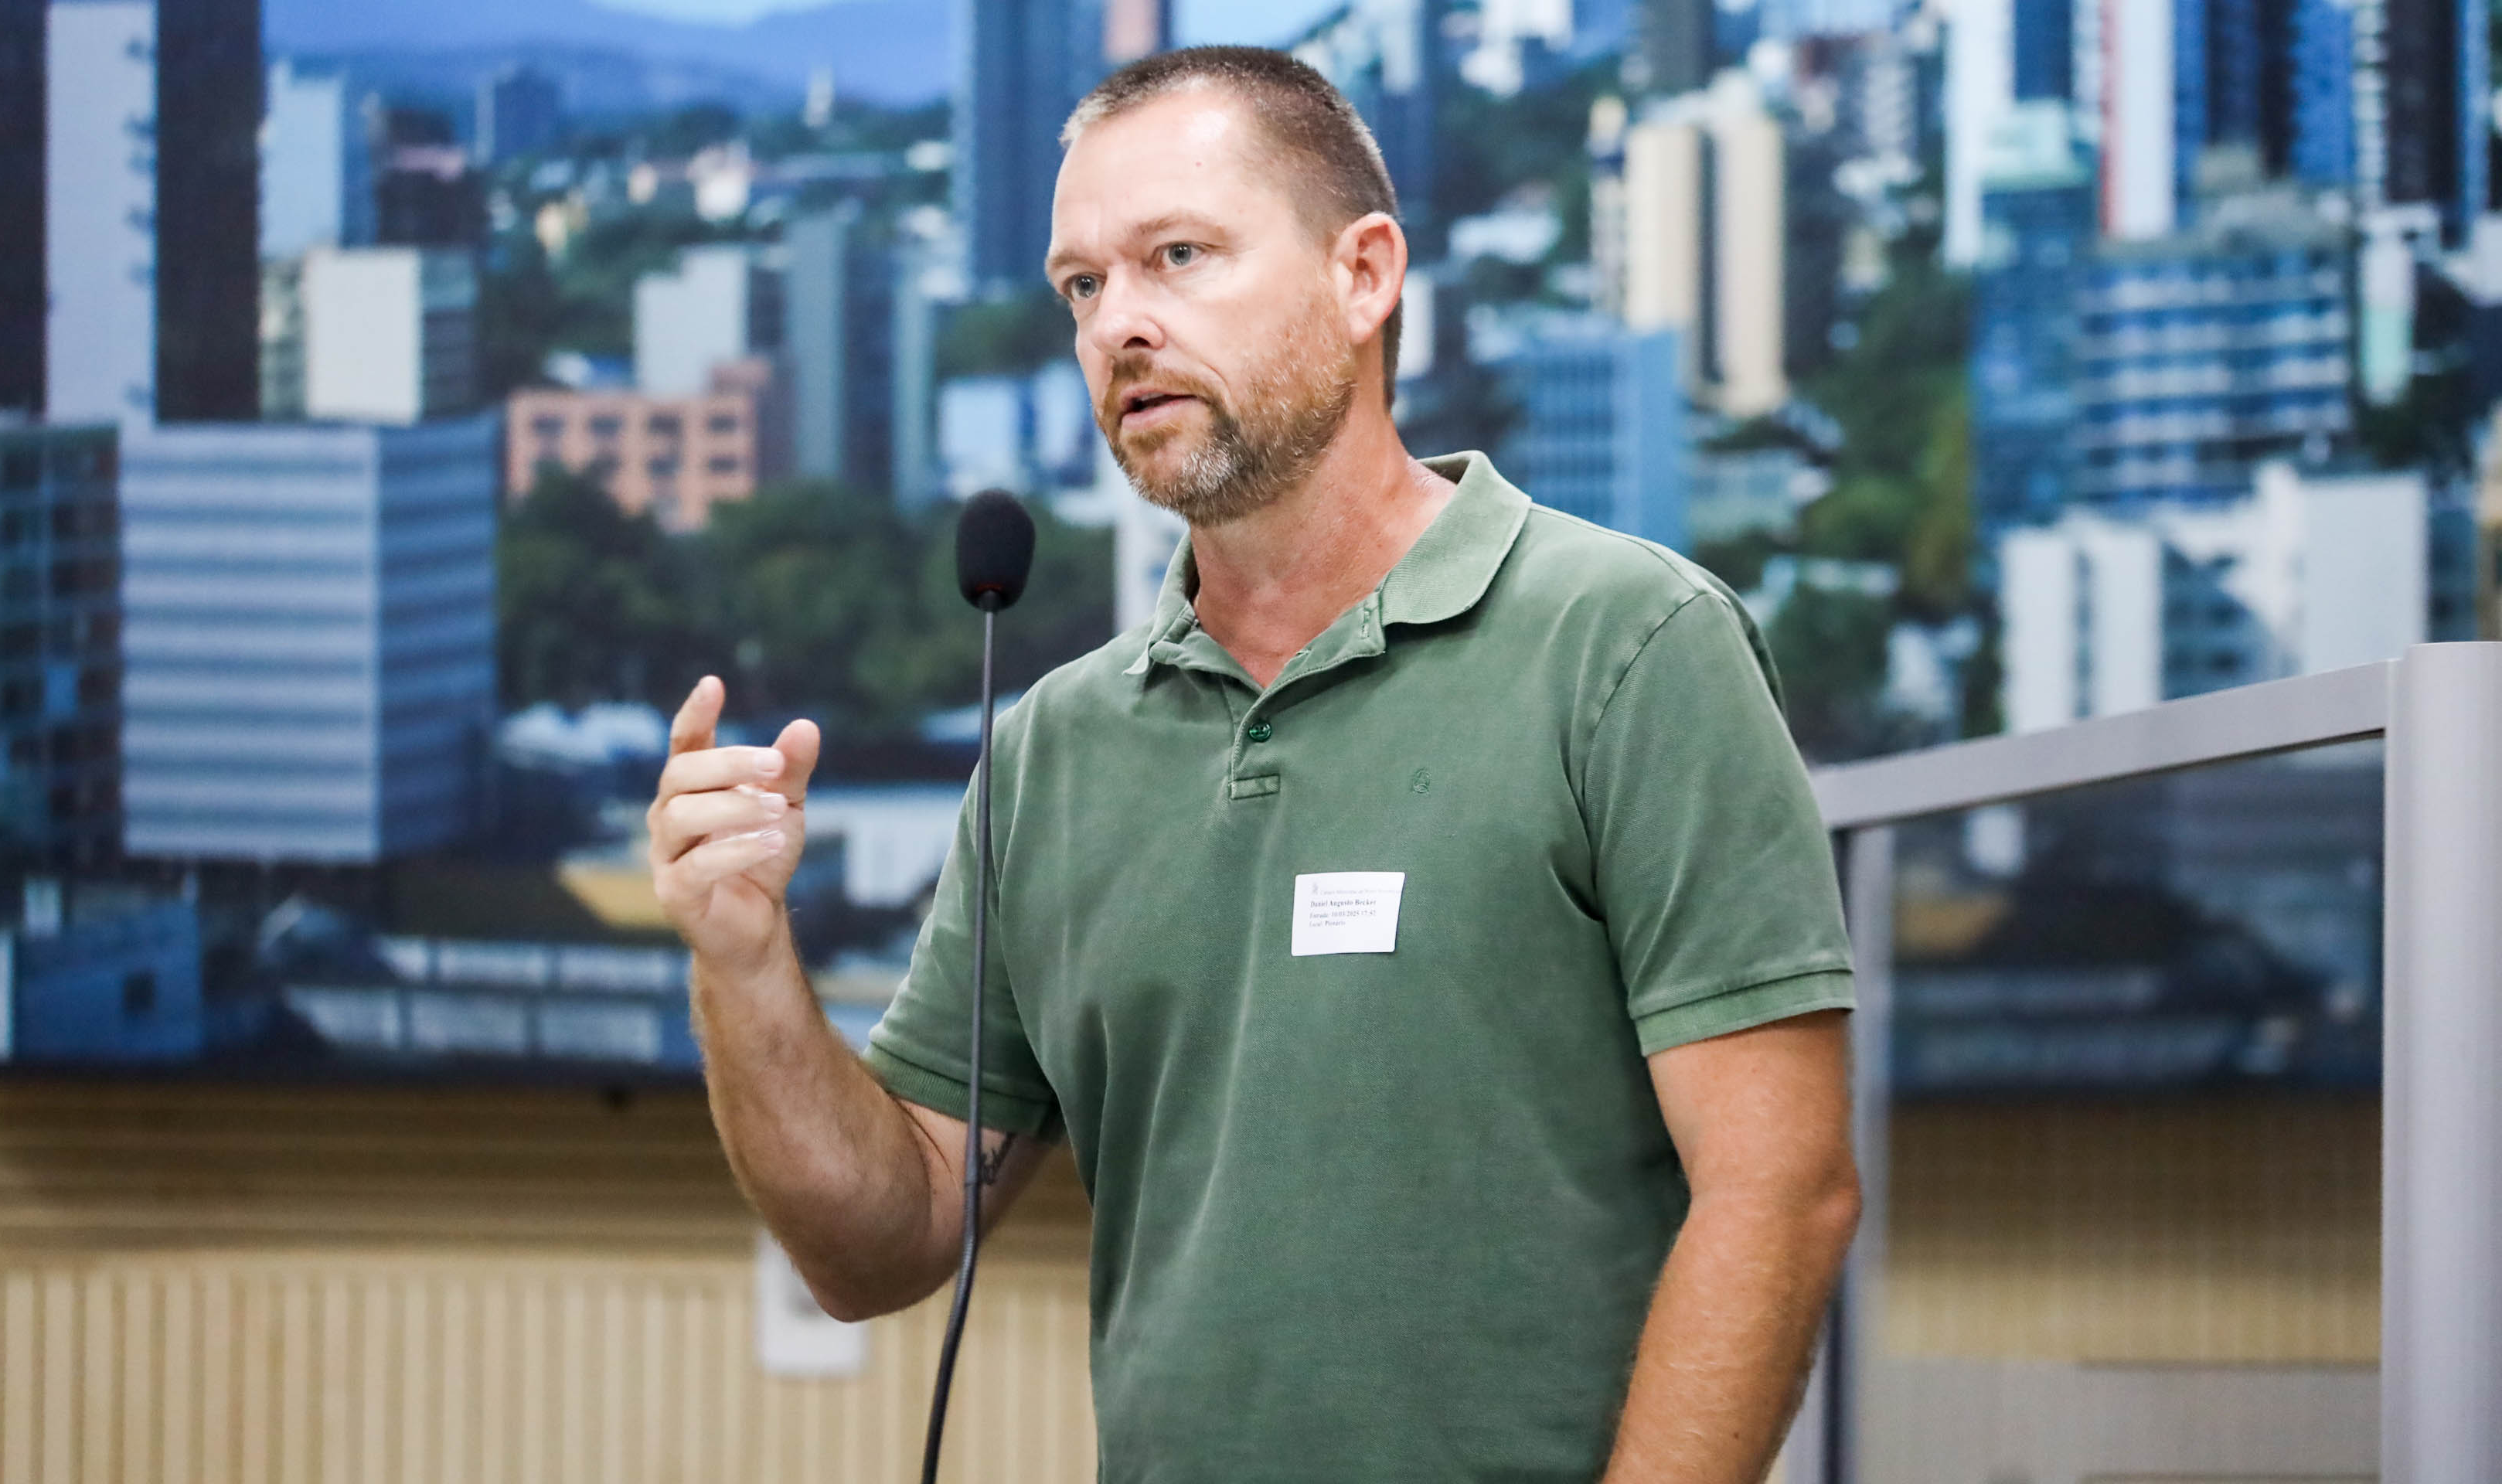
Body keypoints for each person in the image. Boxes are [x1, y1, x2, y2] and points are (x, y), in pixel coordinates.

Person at [649, 45, 1860, 1483]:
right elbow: (885, 1241)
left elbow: (1780, 1195)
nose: (1121, 328)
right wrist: (743, 966)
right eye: (1083, 288)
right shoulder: (1052, 751)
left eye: (1177, 257)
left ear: (1366, 276)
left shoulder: (1630, 645)